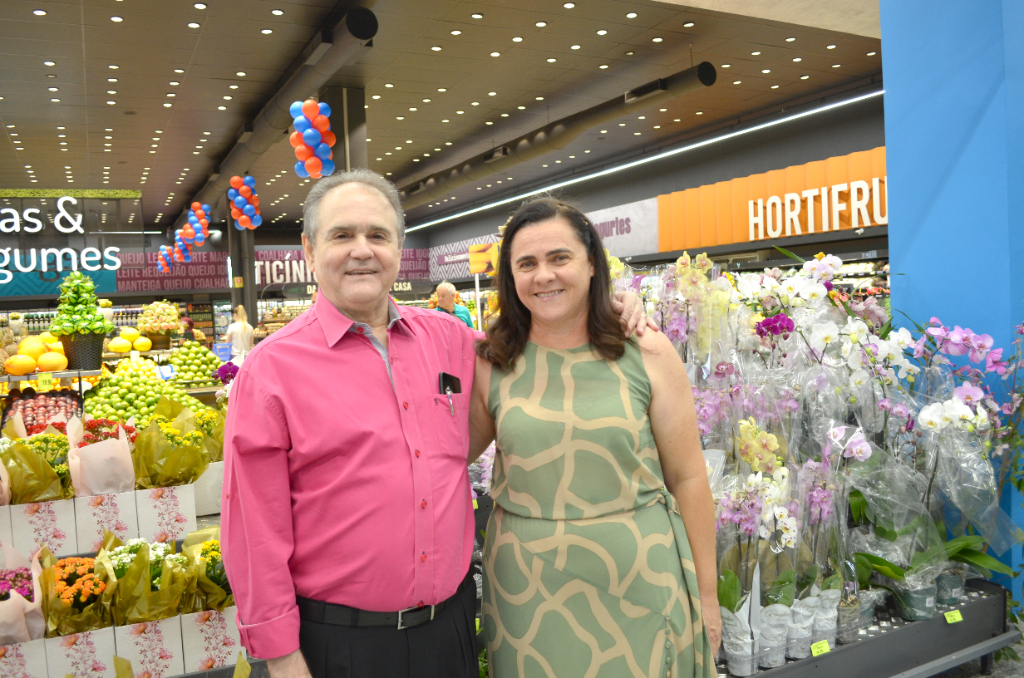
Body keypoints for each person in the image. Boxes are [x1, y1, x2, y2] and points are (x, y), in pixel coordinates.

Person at [221, 169, 652, 678]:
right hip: (337, 647)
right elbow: (254, 532)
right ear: (310, 251)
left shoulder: (451, 340)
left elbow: (542, 341)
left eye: (378, 235)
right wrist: (282, 659)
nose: (362, 250)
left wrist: (610, 304)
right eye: (342, 235)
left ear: (399, 249)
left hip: (448, 635)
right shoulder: (272, 370)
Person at [469, 198, 721, 678]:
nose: (544, 275)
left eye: (559, 258)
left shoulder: (644, 348)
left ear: (591, 264)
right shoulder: (492, 360)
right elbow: (447, 455)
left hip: (640, 582)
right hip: (528, 593)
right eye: (527, 264)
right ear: (511, 277)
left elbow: (688, 477)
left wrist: (706, 596)